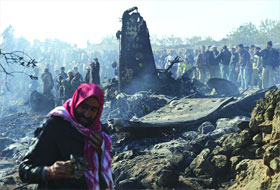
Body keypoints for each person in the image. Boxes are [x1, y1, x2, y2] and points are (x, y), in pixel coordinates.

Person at [19, 83, 113, 189]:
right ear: (76, 102)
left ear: (99, 111)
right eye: (84, 106)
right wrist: (49, 171)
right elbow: (24, 170)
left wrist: (100, 152)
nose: (87, 114)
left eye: (93, 109)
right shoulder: (55, 126)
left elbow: (103, 177)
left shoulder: (100, 134)